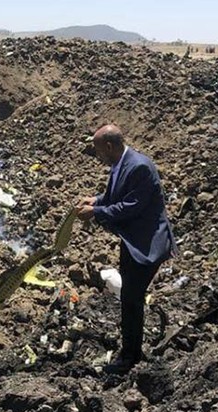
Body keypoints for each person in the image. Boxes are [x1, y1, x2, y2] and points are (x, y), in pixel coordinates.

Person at [75, 125, 176, 373]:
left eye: (99, 150)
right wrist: (97, 200)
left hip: (147, 246)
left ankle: (130, 357)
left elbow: (130, 206)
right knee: (130, 298)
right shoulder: (123, 163)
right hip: (132, 242)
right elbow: (117, 193)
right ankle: (130, 352)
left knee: (131, 298)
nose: (97, 156)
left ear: (109, 147)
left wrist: (96, 213)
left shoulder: (139, 166)